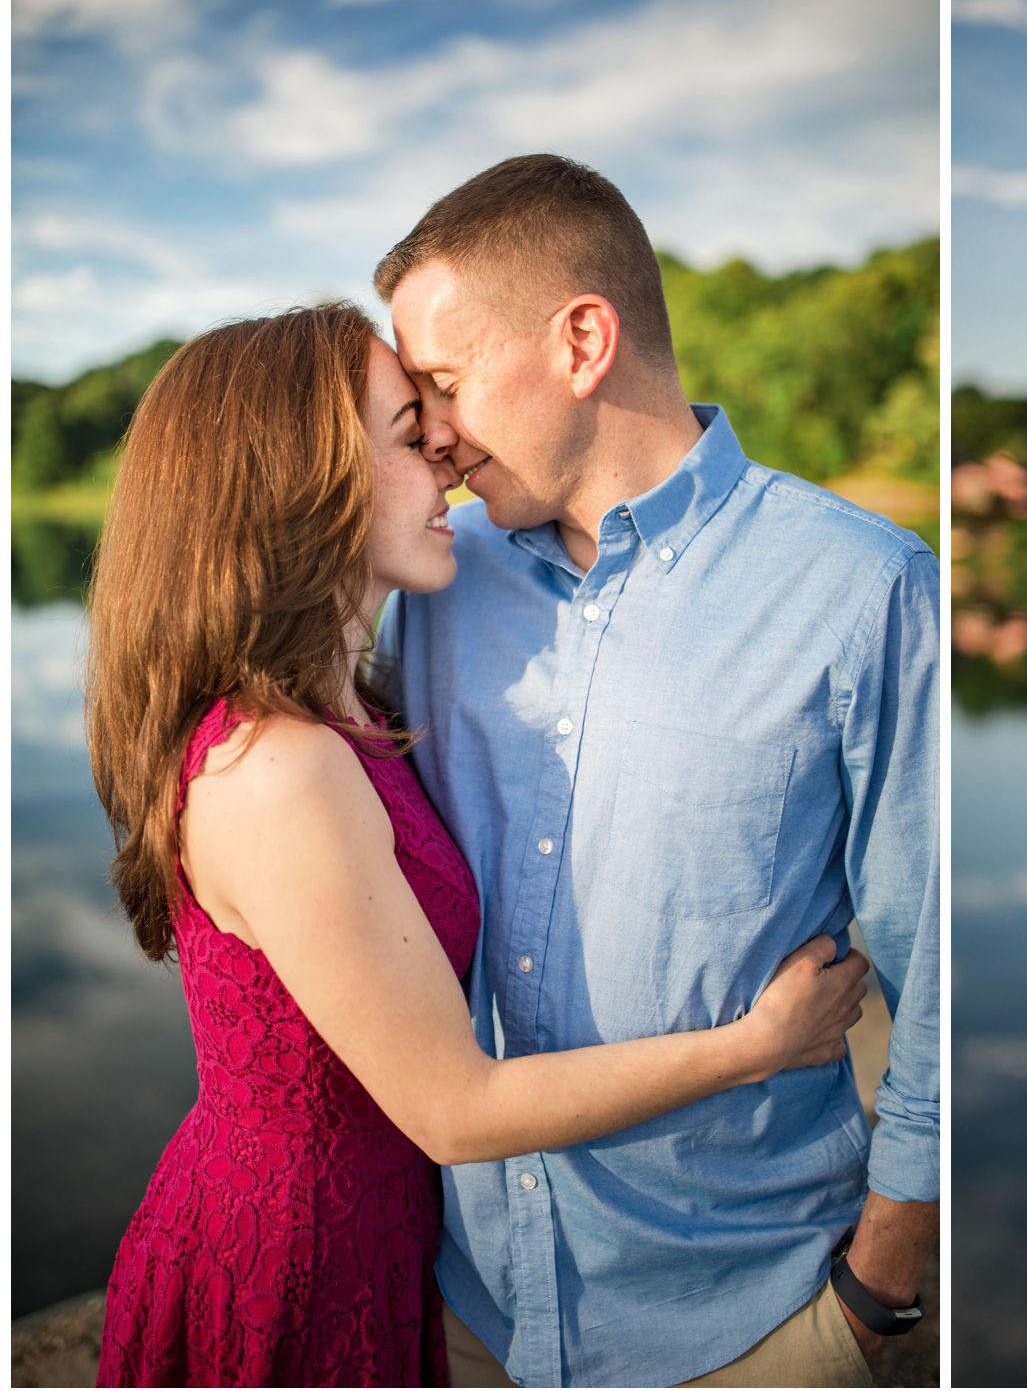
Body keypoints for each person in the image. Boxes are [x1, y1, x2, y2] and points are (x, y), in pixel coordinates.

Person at [82, 302, 873, 1387]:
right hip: (295, 1267)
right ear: (298, 481)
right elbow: (455, 1111)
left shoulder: (347, 711)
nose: (448, 466)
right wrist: (757, 1043)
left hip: (385, 1245)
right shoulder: (279, 768)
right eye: (409, 437)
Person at [373, 154, 942, 1387]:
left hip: (750, 1322)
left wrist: (876, 1292)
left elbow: (947, 969)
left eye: (445, 383)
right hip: (467, 1307)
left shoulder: (864, 592)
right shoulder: (429, 588)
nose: (433, 434)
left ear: (584, 340)